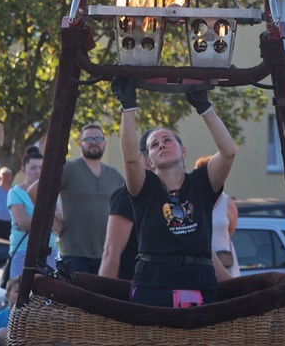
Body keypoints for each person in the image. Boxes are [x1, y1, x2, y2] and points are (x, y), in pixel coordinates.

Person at [112, 77, 237, 307]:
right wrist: (128, 105)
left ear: (183, 151)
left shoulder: (202, 182)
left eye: (167, 140)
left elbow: (228, 151)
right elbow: (130, 158)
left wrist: (205, 108)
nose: (161, 145)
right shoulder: (145, 186)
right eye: (154, 144)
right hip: (152, 284)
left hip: (198, 283)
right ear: (149, 159)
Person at [58, 123, 124, 274]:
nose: (94, 142)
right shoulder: (69, 168)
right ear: (80, 144)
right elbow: (37, 192)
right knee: (76, 298)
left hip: (107, 255)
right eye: (88, 139)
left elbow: (131, 203)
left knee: (101, 297)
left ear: (104, 143)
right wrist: (54, 219)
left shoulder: (114, 175)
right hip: (74, 255)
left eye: (99, 138)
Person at [99, 130, 153, 280]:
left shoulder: (176, 195)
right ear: (142, 157)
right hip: (133, 283)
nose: (161, 149)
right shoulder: (126, 195)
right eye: (153, 147)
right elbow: (111, 251)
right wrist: (104, 296)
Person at [7, 147, 58, 278]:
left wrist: (34, 223)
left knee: (50, 293)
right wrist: (48, 221)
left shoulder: (52, 193)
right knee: (20, 292)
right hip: (23, 250)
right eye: (33, 168)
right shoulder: (15, 192)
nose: (38, 172)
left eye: (41, 167)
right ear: (23, 169)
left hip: (49, 250)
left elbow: (59, 225)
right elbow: (23, 222)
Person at [195, 155, 240, 278]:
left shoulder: (227, 202)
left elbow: (231, 229)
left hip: (224, 258)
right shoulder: (193, 202)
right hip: (200, 260)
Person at [0, 276, 19, 346]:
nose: (21, 294)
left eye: (24, 291)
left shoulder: (32, 316)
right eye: (17, 291)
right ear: (7, 296)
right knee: (1, 333)